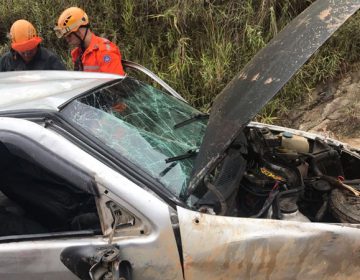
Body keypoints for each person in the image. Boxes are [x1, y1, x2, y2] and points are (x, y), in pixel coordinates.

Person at [54, 7, 125, 75]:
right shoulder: (78, 54)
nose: (67, 39)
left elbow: (115, 85)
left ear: (79, 31)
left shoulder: (104, 52)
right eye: (65, 36)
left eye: (69, 35)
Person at [0, 19, 66, 71]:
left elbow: (64, 83)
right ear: (16, 49)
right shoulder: (6, 61)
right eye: (22, 52)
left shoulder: (50, 60)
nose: (26, 54)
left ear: (36, 44)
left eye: (30, 50)